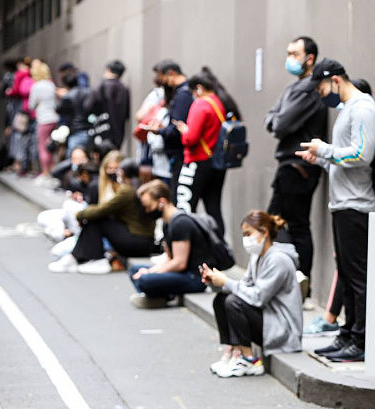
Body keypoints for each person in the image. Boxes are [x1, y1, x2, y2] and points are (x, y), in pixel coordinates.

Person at [296, 59, 375, 362]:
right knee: (347, 274)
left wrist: (325, 150)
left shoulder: (362, 108)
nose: (321, 95)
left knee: (357, 277)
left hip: (356, 205)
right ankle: (347, 334)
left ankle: (360, 341)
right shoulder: (349, 110)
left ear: (334, 80)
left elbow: (361, 154)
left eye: (321, 88)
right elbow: (347, 158)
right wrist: (319, 158)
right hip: (344, 203)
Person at [264, 36, 326, 306]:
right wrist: (277, 118)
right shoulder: (295, 88)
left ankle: (303, 284)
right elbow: (271, 117)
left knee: (293, 223)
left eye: (294, 53)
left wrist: (277, 119)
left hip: (299, 166)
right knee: (275, 222)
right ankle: (292, 280)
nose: (289, 58)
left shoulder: (310, 90)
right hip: (289, 166)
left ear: (309, 58)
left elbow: (279, 124)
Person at [203, 210, 303, 378]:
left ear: (264, 231)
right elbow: (243, 287)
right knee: (222, 299)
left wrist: (226, 281)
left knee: (233, 302)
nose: (246, 239)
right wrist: (215, 283)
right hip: (268, 320)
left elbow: (258, 297)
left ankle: (250, 360)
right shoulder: (257, 256)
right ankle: (234, 352)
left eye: (248, 234)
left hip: (283, 330)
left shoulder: (278, 260)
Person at [48, 151, 156, 274]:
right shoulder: (134, 188)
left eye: (117, 169)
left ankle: (93, 259)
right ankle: (78, 257)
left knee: (98, 218)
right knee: (96, 218)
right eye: (110, 168)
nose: (114, 173)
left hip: (137, 243)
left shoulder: (127, 191)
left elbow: (103, 209)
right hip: (141, 241)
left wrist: (79, 215)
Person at [172, 67, 242, 234]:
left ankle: (185, 251)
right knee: (214, 209)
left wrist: (183, 131)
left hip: (196, 162)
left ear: (199, 88)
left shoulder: (201, 105)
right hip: (215, 163)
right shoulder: (219, 102)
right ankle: (219, 252)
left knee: (185, 208)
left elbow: (191, 139)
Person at [128, 180, 211, 308]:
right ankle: (161, 296)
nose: (147, 210)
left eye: (149, 206)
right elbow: (170, 258)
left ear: (162, 202)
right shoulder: (168, 223)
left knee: (145, 279)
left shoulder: (180, 223)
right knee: (135, 270)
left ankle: (160, 296)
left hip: (194, 278)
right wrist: (151, 271)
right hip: (182, 273)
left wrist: (150, 272)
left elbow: (179, 263)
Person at [150, 60, 191, 195]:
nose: (164, 83)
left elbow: (176, 129)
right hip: (182, 154)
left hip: (180, 154)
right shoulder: (183, 93)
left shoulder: (183, 95)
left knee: (178, 199)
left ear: (171, 74)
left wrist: (160, 130)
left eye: (164, 78)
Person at [84, 60, 130, 149]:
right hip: (119, 131)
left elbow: (88, 106)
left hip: (101, 129)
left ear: (108, 70)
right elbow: (127, 114)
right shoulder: (124, 89)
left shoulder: (101, 86)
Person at [28, 61, 59, 182]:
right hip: (54, 118)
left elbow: (31, 105)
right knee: (51, 146)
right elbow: (56, 103)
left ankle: (46, 173)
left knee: (43, 147)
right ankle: (52, 171)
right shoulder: (51, 85)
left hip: (43, 119)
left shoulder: (36, 86)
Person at [6, 57, 35, 175]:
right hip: (30, 112)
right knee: (28, 138)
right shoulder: (32, 76)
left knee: (19, 136)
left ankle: (19, 164)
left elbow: (15, 90)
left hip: (22, 112)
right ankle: (26, 165)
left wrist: (8, 91)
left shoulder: (20, 75)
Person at [56, 71, 91, 154]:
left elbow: (60, 111)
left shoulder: (68, 97)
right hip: (88, 128)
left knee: (73, 157)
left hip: (75, 130)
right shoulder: (87, 92)